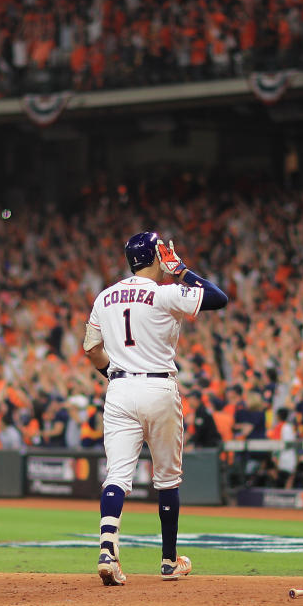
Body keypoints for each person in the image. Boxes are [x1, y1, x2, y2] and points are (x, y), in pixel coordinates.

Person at [83, 232, 228, 586]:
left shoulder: (105, 296)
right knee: (167, 478)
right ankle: (167, 561)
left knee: (117, 474)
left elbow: (90, 347)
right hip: (159, 386)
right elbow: (218, 298)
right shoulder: (165, 291)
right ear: (157, 257)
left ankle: (107, 552)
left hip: (119, 388)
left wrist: (113, 374)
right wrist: (180, 270)